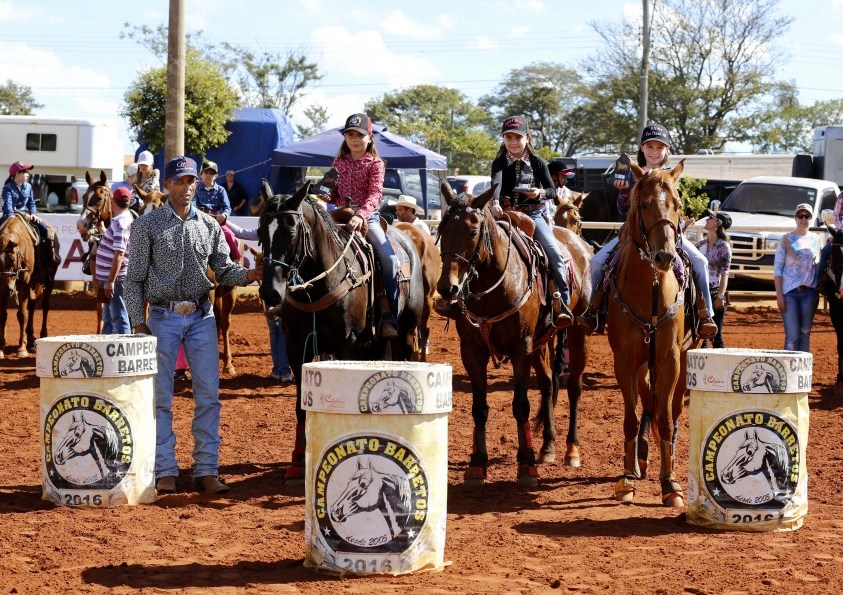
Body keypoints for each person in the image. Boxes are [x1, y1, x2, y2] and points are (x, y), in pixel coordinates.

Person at [126, 156, 262, 495]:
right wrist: (138, 323)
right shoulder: (147, 226)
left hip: (202, 316)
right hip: (162, 317)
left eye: (191, 181)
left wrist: (250, 274)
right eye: (180, 181)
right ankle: (165, 470)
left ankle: (206, 470)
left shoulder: (210, 226)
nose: (187, 186)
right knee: (160, 398)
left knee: (209, 396)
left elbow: (224, 269)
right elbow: (133, 281)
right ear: (168, 185)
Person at [575, 124, 718, 338]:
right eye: (649, 146)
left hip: (669, 235)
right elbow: (622, 209)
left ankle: (705, 313)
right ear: (642, 148)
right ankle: (595, 311)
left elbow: (675, 207)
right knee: (597, 262)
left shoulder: (673, 176)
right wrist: (623, 192)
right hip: (633, 234)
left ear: (667, 150)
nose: (654, 151)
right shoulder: (631, 174)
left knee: (700, 262)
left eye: (659, 147)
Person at [485, 115, 573, 329]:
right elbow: (494, 183)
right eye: (508, 137)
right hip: (504, 215)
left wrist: (540, 193)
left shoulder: (538, 162)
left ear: (528, 137)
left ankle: (562, 302)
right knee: (478, 246)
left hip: (533, 216)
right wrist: (495, 202)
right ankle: (462, 298)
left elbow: (553, 191)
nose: (513, 142)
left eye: (517, 137)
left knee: (554, 251)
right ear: (503, 139)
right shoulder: (498, 162)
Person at [319, 112, 400, 338]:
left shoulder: (376, 164)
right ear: (345, 138)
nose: (354, 139)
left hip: (368, 217)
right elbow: (329, 190)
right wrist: (325, 196)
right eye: (350, 135)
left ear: (370, 137)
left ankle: (389, 315)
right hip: (338, 215)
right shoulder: (338, 163)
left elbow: (375, 195)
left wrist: (361, 214)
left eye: (359, 135)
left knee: (389, 259)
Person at [219, 216, 293, 383]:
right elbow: (241, 232)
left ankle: (284, 370)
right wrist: (224, 220)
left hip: (281, 284)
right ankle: (279, 369)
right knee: (275, 327)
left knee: (282, 328)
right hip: (269, 286)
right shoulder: (265, 232)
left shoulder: (285, 234)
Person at [774, 203, 822, 352]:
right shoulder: (785, 239)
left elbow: (819, 267)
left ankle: (803, 374)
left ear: (811, 218)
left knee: (805, 334)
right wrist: (779, 295)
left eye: (806, 216)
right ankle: (789, 373)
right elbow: (777, 269)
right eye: (800, 216)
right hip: (790, 293)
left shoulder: (816, 239)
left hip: (810, 292)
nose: (803, 219)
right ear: (795, 218)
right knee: (792, 335)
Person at [2, 161, 58, 279]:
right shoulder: (8, 188)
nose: (28, 174)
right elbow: (8, 206)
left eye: (27, 172)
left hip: (25, 215)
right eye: (25, 172)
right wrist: (16, 214)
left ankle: (49, 257)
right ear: (17, 173)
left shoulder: (28, 187)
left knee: (43, 228)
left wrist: (33, 213)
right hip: (10, 215)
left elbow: (32, 203)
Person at [95, 186, 133, 334]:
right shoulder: (124, 220)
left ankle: (123, 352)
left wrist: (111, 281)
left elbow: (119, 254)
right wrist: (105, 232)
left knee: (118, 316)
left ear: (112, 201)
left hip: (114, 280)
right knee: (110, 317)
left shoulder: (120, 223)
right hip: (112, 278)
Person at [695, 209, 733, 348]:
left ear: (718, 223)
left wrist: (721, 296)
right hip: (700, 292)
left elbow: (725, 273)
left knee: (716, 335)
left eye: (711, 217)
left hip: (713, 291)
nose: (707, 219)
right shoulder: (701, 244)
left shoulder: (724, 247)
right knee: (700, 336)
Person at [194, 160, 242, 263]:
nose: (208, 175)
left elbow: (227, 207)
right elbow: (193, 204)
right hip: (199, 219)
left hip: (216, 220)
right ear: (200, 174)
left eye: (211, 173)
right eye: (206, 172)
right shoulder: (195, 189)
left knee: (229, 234)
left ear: (216, 175)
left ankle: (237, 259)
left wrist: (224, 215)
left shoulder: (221, 190)